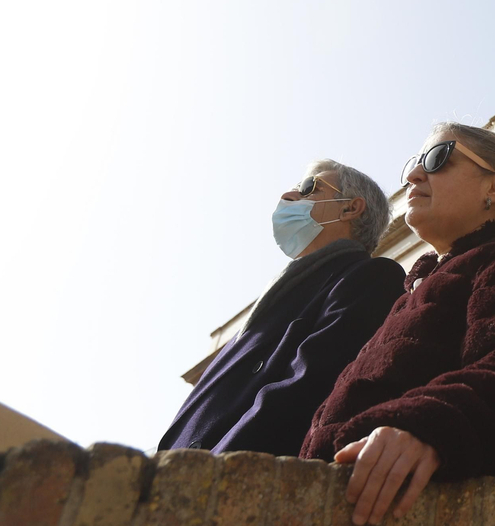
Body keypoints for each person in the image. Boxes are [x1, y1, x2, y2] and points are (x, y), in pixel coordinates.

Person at [301, 123, 495, 526]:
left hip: (421, 523)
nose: (413, 176)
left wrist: (425, 428)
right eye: (413, 164)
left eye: (438, 159)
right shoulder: (413, 292)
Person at [159, 161, 404, 457]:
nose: (288, 195)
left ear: (350, 208)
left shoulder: (369, 278)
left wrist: (209, 469)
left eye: (308, 188)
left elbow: (305, 389)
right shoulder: (273, 301)